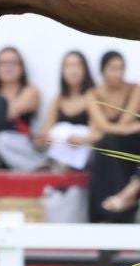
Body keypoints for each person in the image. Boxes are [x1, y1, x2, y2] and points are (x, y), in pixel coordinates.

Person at [87, 50, 140, 266]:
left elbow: (123, 121)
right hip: (111, 152)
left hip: (133, 150)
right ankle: (114, 207)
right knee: (105, 145)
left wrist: (113, 130)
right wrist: (121, 128)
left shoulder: (136, 89)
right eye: (113, 68)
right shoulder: (93, 93)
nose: (119, 73)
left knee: (106, 143)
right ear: (102, 71)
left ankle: (107, 209)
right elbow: (109, 126)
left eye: (121, 68)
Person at [35, 50, 96, 223]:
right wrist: (45, 139)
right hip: (59, 153)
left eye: (77, 65)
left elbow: (98, 132)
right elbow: (45, 135)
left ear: (85, 69)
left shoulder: (92, 96)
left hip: (82, 153)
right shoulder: (58, 99)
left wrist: (81, 139)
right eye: (68, 66)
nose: (73, 70)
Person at [0, 46, 44, 171]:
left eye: (13, 63)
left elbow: (9, 113)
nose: (8, 67)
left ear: (21, 67)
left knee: (2, 138)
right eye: (3, 63)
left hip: (16, 143)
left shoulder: (30, 90)